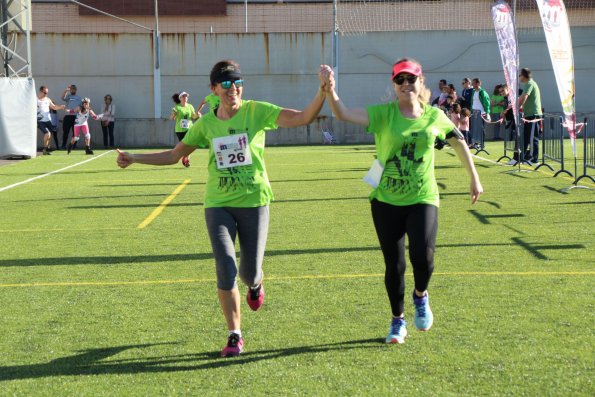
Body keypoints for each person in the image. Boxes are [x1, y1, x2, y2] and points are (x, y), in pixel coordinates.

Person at [116, 59, 327, 357]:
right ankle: (234, 334)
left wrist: (322, 92)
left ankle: (256, 284)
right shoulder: (206, 124)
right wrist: (134, 157)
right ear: (214, 88)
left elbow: (303, 117)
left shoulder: (258, 111)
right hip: (218, 204)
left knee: (248, 273)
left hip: (254, 202)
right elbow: (175, 155)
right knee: (225, 268)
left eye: (237, 82)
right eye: (226, 84)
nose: (233, 89)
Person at [319, 58, 482, 345]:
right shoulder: (384, 114)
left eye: (411, 79)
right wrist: (329, 89)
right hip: (385, 200)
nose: (406, 84)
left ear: (421, 83)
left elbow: (458, 142)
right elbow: (342, 113)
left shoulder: (434, 116)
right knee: (394, 265)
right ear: (394, 85)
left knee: (424, 258)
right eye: (400, 80)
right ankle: (398, 320)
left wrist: (473, 177)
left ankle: (421, 296)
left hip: (423, 197)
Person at [517, 68, 542, 164]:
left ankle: (534, 159)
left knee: (532, 138)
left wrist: (517, 107)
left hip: (533, 115)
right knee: (527, 137)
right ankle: (526, 157)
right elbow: (522, 98)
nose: (519, 77)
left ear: (524, 75)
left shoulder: (529, 84)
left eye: (520, 75)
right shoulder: (528, 84)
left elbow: (524, 97)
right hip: (529, 115)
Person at [170, 91, 199, 167]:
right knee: (185, 146)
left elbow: (193, 117)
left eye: (186, 96)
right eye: (183, 96)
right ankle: (185, 158)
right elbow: (171, 118)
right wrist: (173, 115)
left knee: (190, 144)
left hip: (189, 129)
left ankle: (186, 159)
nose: (185, 97)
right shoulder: (177, 107)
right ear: (180, 98)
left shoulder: (190, 106)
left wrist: (197, 115)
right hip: (180, 130)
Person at [37, 86, 66, 155]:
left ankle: (46, 149)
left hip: (48, 121)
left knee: (49, 136)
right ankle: (45, 149)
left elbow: (54, 107)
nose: (46, 94)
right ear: (41, 92)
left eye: (47, 93)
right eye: (45, 92)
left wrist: (60, 107)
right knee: (47, 134)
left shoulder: (48, 99)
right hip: (40, 121)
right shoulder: (36, 100)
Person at [469, 78, 491, 148]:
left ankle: (482, 144)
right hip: (474, 113)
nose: (472, 84)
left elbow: (487, 103)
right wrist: (470, 111)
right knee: (474, 129)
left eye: (473, 83)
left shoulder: (482, 92)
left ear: (478, 84)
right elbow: (472, 102)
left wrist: (487, 113)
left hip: (481, 113)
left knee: (481, 128)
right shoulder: (473, 91)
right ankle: (475, 143)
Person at [61, 84, 83, 149]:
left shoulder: (79, 98)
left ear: (76, 90)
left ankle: (74, 146)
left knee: (75, 133)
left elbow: (81, 107)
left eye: (74, 89)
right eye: (71, 89)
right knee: (66, 132)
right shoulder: (68, 96)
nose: (72, 90)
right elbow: (62, 98)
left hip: (76, 117)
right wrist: (66, 91)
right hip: (68, 116)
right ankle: (63, 145)